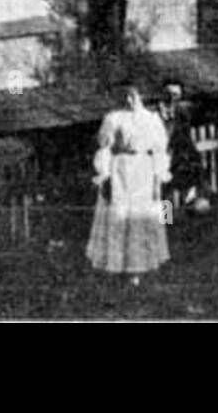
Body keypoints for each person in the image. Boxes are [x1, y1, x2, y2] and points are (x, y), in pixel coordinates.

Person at [86, 83, 171, 285]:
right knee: (119, 216)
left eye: (134, 96)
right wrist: (104, 175)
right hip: (120, 172)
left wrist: (159, 175)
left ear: (142, 95)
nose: (129, 100)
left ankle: (138, 270)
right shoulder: (113, 118)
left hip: (143, 170)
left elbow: (160, 149)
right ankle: (116, 267)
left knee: (141, 218)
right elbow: (105, 148)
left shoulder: (152, 119)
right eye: (125, 96)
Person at [157, 81, 207, 213]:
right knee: (164, 192)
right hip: (162, 156)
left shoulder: (184, 110)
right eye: (169, 95)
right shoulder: (154, 114)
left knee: (192, 187)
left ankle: (191, 217)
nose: (173, 99)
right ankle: (166, 221)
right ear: (162, 95)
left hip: (183, 156)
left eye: (176, 95)